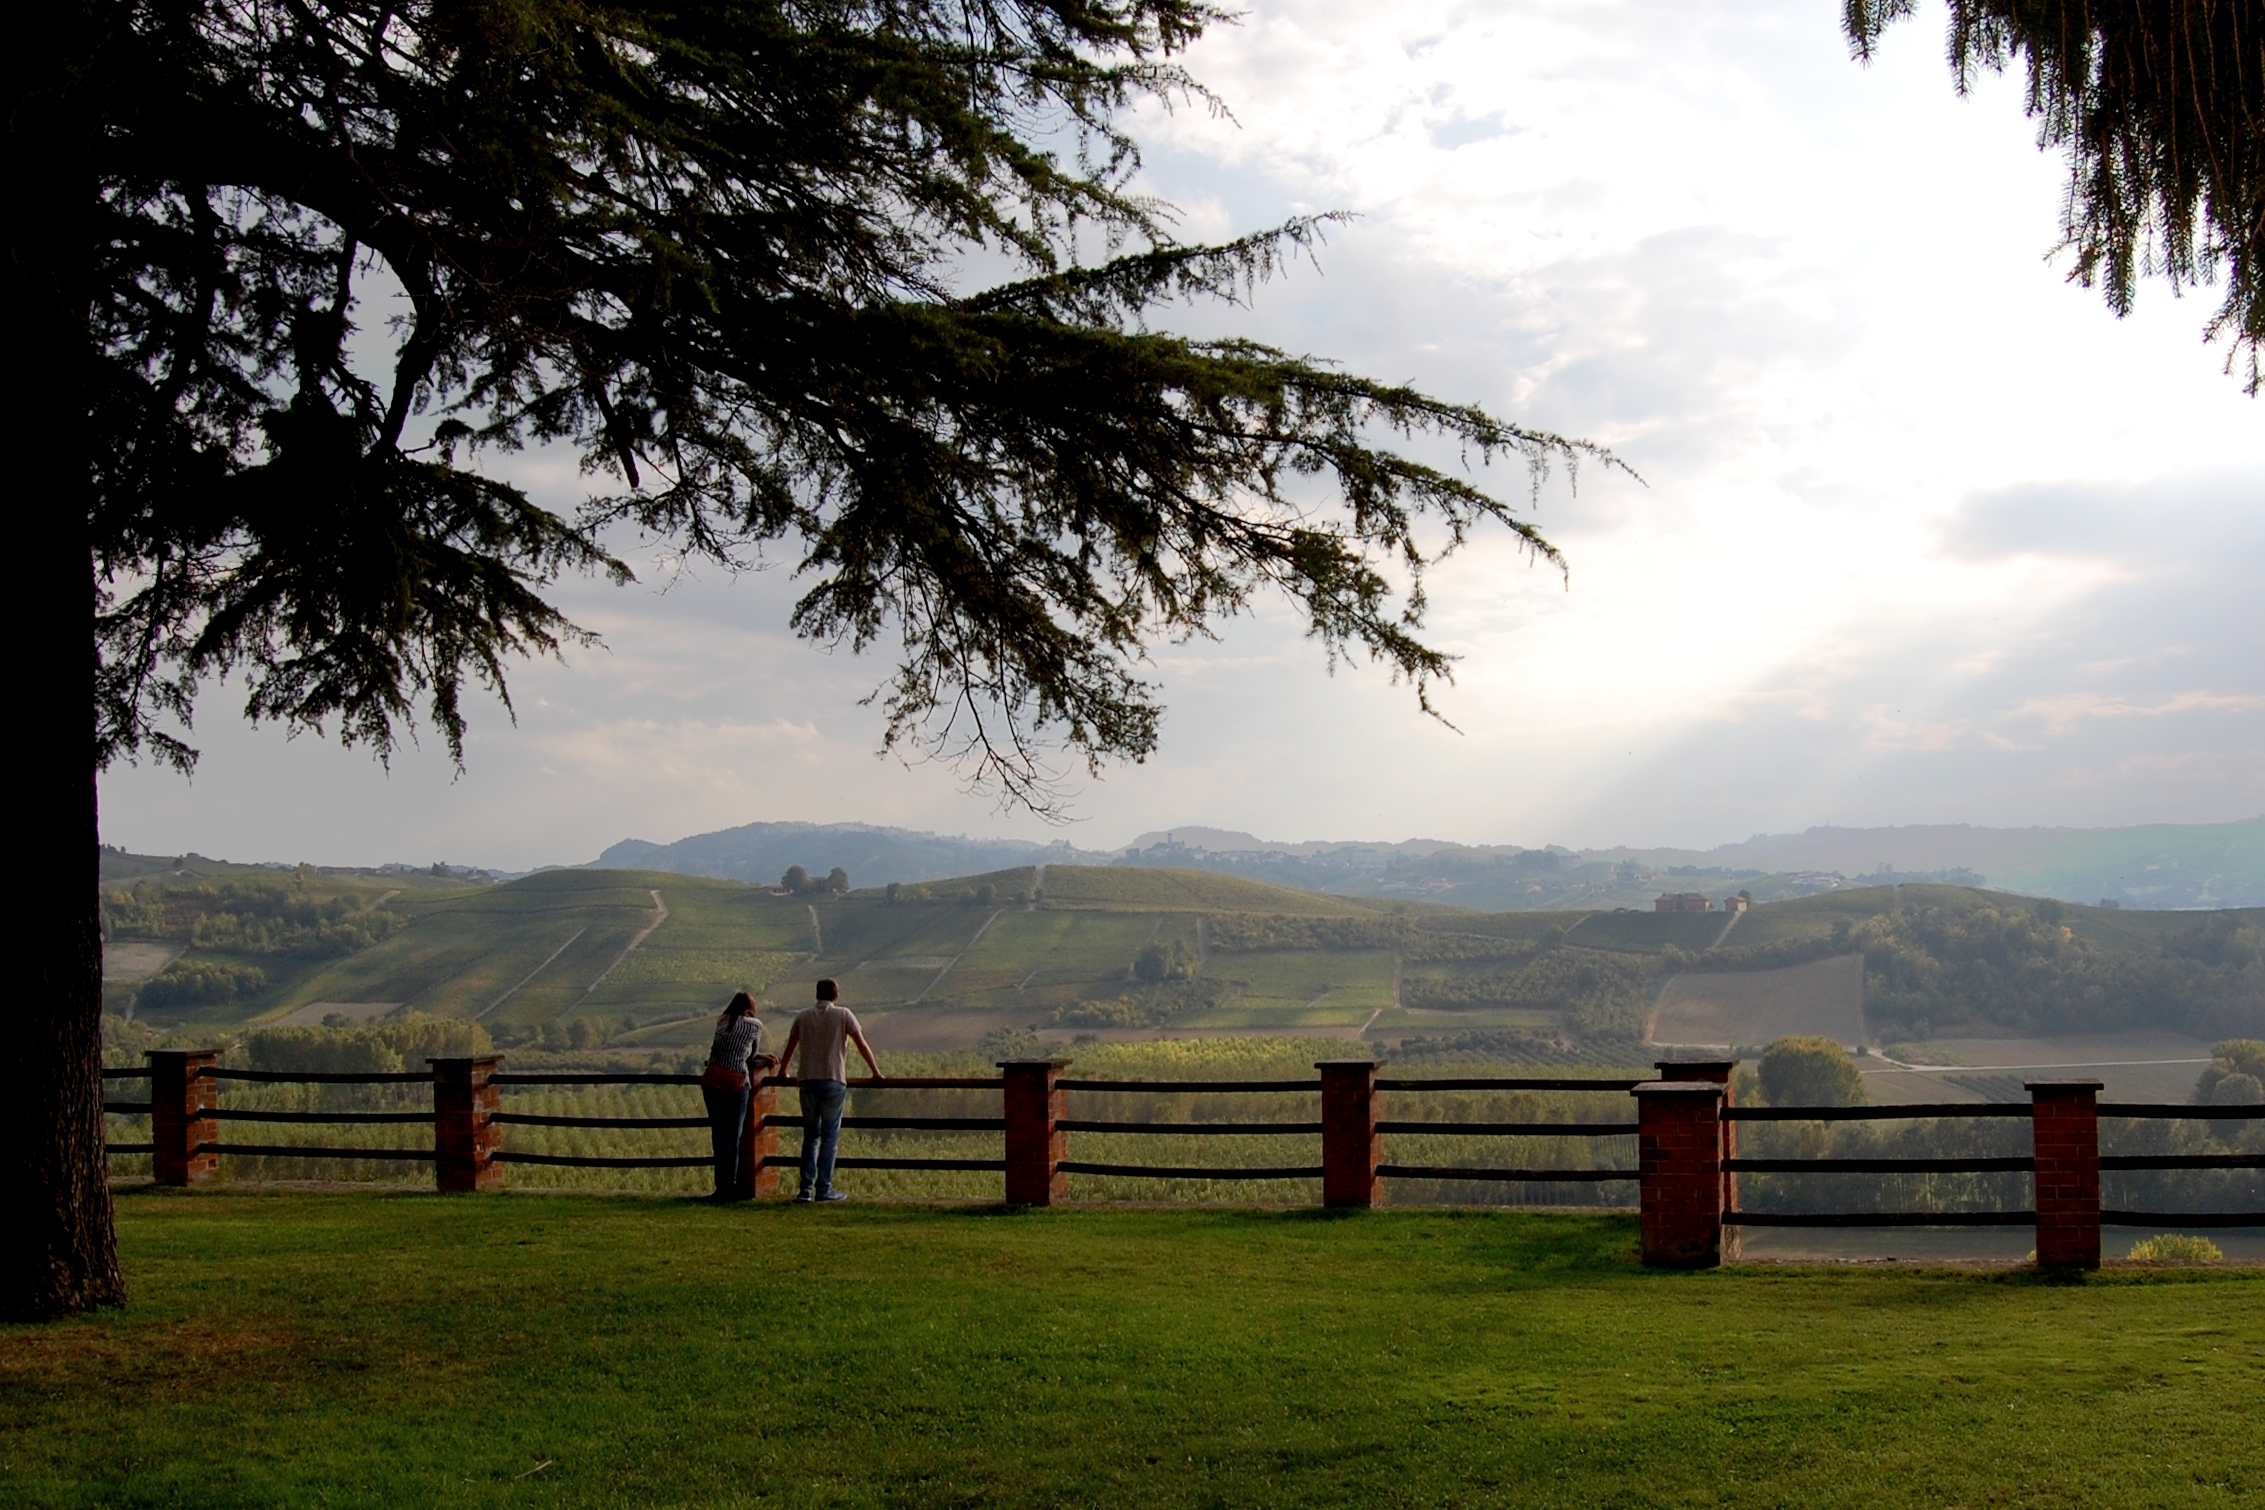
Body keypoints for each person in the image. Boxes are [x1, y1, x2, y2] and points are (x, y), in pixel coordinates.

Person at [772, 978, 883, 1202]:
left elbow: (791, 1046)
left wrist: (782, 1071)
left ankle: (805, 1190)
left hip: (807, 1080)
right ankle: (824, 1189)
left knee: (810, 1136)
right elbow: (862, 1044)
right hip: (834, 1080)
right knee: (829, 1137)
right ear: (836, 995)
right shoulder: (844, 1015)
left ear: (817, 995)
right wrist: (876, 1072)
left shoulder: (802, 1016)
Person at [699, 991, 773, 1201]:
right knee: (733, 1138)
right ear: (751, 1007)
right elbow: (750, 1053)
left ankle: (720, 1187)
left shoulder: (723, 1022)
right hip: (736, 1082)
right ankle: (729, 1188)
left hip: (713, 1080)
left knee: (718, 1136)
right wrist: (762, 1056)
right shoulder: (754, 1025)